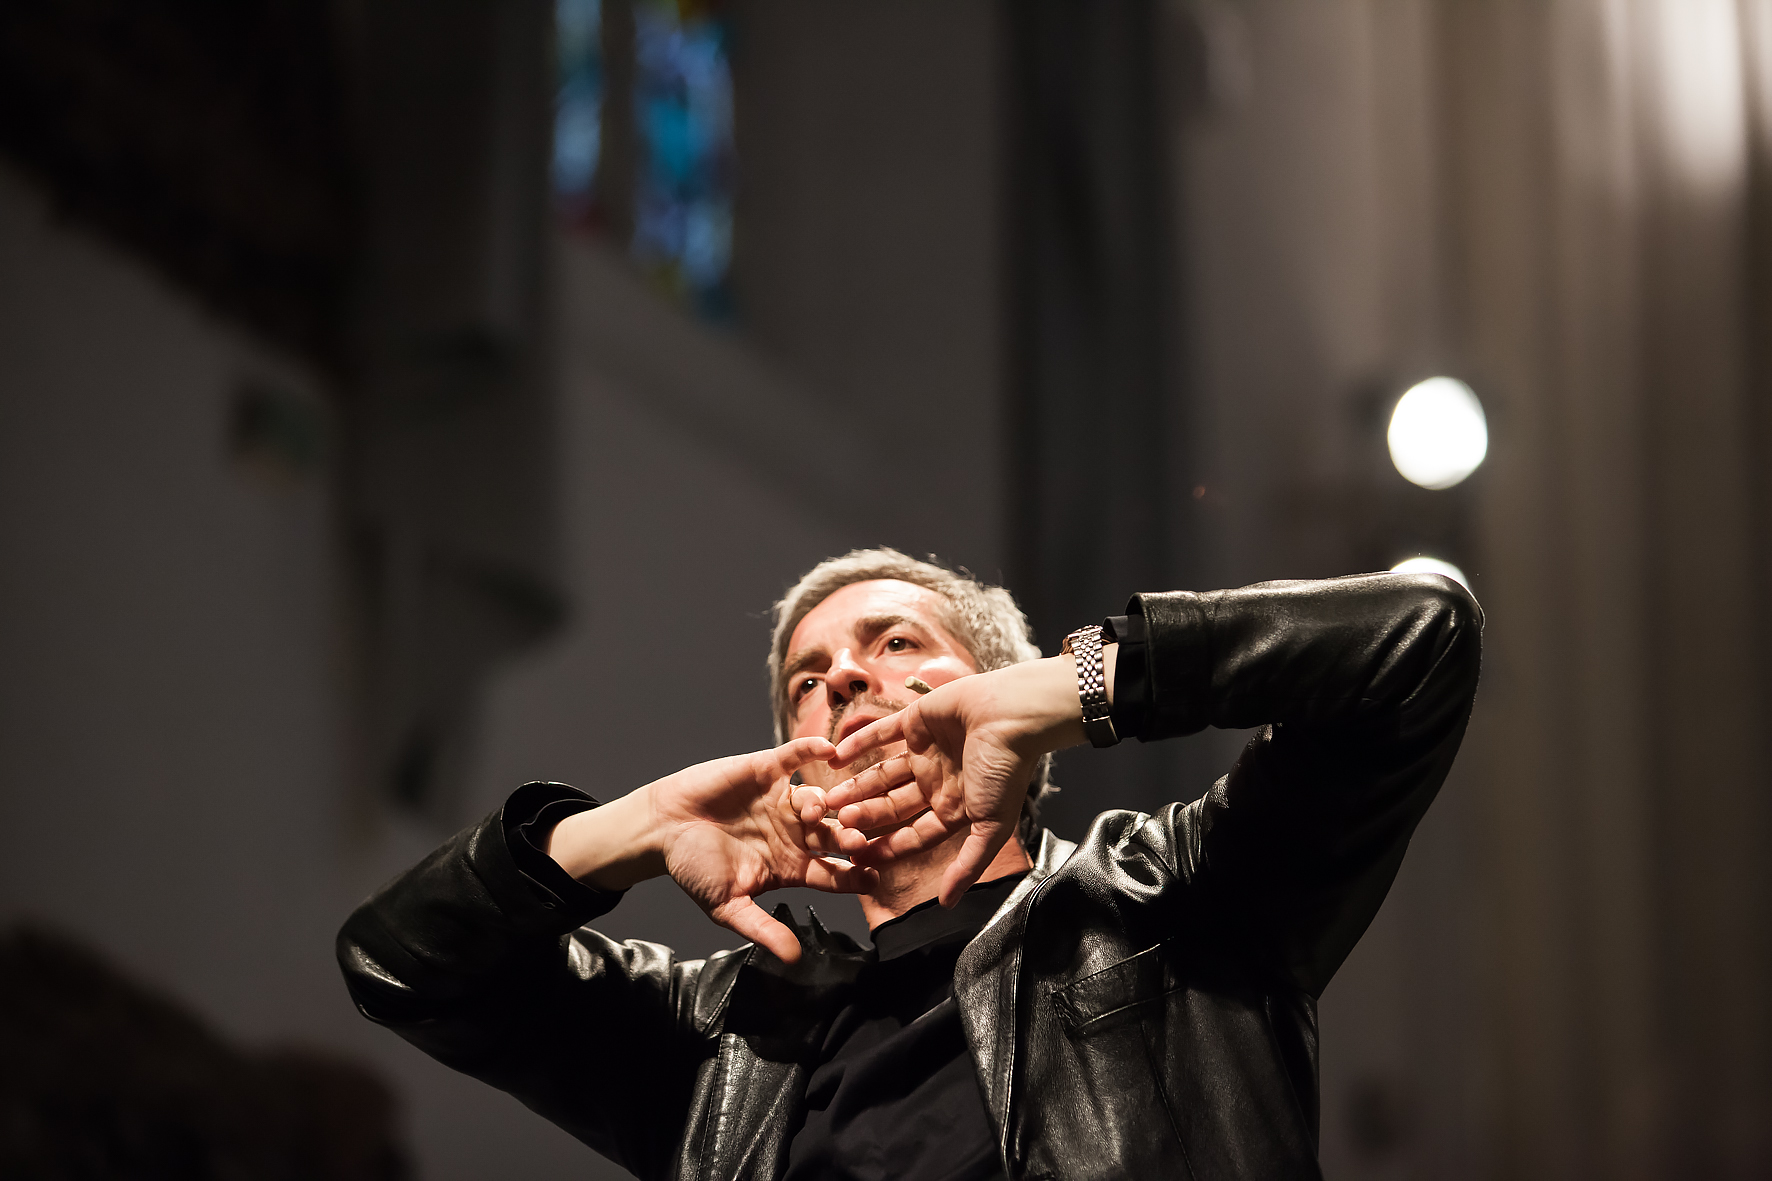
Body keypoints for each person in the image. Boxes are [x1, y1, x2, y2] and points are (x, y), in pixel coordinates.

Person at [338, 547, 1482, 1181]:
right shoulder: (722, 1040)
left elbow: (1416, 640)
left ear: (1000, 699)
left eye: (896, 643)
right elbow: (398, 965)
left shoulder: (1177, 901)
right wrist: (630, 825)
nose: (841, 677)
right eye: (807, 678)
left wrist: (1079, 685)